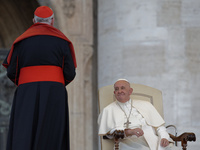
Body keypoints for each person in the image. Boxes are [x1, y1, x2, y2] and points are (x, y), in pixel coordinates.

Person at [2, 6, 76, 150]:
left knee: (24, 132)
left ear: (34, 21)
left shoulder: (21, 42)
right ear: (52, 21)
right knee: (52, 133)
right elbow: (70, 73)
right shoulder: (62, 42)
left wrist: (27, 83)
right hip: (54, 92)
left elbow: (11, 71)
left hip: (26, 92)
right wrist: (54, 82)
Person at [98, 79, 180, 150]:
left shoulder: (145, 104)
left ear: (130, 91)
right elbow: (112, 132)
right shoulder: (108, 110)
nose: (119, 91)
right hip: (129, 143)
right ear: (114, 92)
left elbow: (159, 126)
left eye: (123, 88)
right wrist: (130, 131)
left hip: (154, 140)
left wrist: (164, 137)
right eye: (117, 89)